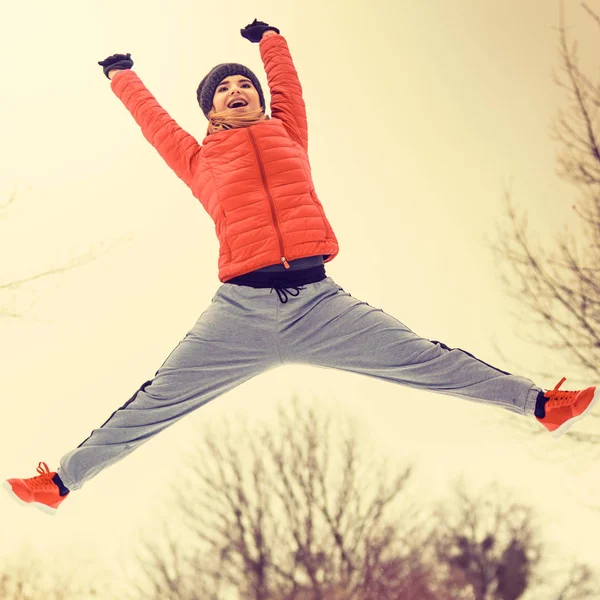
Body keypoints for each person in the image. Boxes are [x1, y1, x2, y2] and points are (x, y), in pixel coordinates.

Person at [3, 19, 597, 516]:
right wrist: (121, 75)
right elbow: (155, 123)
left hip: (319, 303)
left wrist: (272, 41)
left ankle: (541, 405)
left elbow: (289, 87)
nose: (239, 90)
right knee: (159, 397)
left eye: (246, 85)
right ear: (209, 110)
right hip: (239, 312)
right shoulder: (198, 158)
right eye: (225, 89)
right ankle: (60, 483)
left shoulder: (288, 132)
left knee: (425, 358)